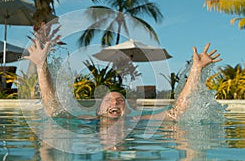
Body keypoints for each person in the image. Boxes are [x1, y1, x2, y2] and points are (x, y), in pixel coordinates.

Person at [24, 24, 222, 122]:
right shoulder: (88, 122)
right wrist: (42, 66)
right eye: (109, 100)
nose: (115, 102)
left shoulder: (136, 121)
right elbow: (53, 110)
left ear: (128, 110)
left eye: (120, 100)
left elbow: (176, 113)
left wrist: (196, 70)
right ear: (98, 111)